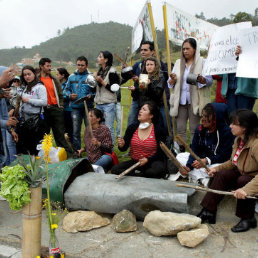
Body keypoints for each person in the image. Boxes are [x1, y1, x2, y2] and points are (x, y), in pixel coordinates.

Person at [198, 109, 258, 233]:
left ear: (245, 127)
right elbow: (232, 162)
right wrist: (216, 169)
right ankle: (208, 211)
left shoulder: (256, 144)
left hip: (252, 178)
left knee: (243, 180)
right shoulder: (239, 140)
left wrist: (246, 190)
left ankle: (248, 219)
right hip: (243, 172)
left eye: (234, 124)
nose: (230, 126)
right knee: (221, 175)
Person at [172, 103, 234, 186]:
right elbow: (194, 150)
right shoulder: (200, 129)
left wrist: (206, 160)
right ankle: (203, 178)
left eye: (206, 117)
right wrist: (189, 166)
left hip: (217, 162)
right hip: (201, 160)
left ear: (216, 118)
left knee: (220, 169)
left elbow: (225, 156)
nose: (203, 119)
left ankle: (199, 177)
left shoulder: (227, 132)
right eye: (203, 116)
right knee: (179, 157)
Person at [168, 37, 213, 144]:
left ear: (195, 49)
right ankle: (182, 152)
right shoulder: (178, 63)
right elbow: (170, 83)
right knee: (180, 129)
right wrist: (173, 79)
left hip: (195, 101)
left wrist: (202, 79)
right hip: (181, 101)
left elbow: (210, 81)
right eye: (183, 49)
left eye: (188, 49)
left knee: (194, 129)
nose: (185, 51)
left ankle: (194, 152)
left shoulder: (203, 62)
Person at [111, 101, 167, 178]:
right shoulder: (132, 128)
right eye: (140, 109)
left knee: (154, 171)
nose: (140, 111)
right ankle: (142, 175)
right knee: (115, 169)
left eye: (144, 109)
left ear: (151, 115)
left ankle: (138, 175)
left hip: (152, 161)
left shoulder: (158, 130)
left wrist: (148, 160)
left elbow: (161, 153)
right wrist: (122, 145)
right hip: (136, 162)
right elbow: (123, 149)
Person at [39, 58, 72, 156]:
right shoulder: (37, 79)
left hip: (55, 109)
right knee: (45, 136)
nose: (50, 68)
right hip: (43, 110)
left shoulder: (54, 79)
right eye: (47, 66)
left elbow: (60, 94)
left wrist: (60, 106)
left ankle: (68, 156)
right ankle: (46, 157)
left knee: (60, 135)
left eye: (50, 66)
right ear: (41, 66)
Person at [64, 56, 95, 150]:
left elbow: (95, 91)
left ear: (86, 65)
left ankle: (90, 149)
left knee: (89, 130)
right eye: (78, 65)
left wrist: (91, 96)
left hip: (88, 107)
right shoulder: (71, 77)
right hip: (75, 107)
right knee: (76, 131)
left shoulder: (91, 76)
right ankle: (77, 151)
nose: (80, 67)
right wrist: (70, 95)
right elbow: (66, 90)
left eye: (82, 65)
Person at [15, 66, 47, 155]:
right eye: (25, 75)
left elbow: (44, 102)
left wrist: (29, 100)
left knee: (35, 146)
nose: (27, 77)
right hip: (24, 119)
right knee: (24, 146)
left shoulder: (40, 87)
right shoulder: (24, 87)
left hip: (36, 119)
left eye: (29, 74)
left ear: (34, 74)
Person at [221, 46, 258, 115]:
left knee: (243, 119)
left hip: (246, 89)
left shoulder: (252, 41)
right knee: (232, 118)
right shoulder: (228, 44)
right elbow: (220, 74)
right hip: (230, 89)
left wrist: (243, 55)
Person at [94, 51, 120, 143]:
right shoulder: (100, 71)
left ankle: (110, 150)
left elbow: (114, 88)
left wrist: (101, 81)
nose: (98, 58)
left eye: (100, 56)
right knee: (100, 128)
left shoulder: (112, 71)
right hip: (99, 103)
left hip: (109, 103)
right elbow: (96, 87)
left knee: (108, 128)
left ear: (106, 59)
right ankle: (102, 148)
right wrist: (94, 79)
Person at [0, 66, 19, 168]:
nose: (8, 85)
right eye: (6, 81)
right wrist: (5, 123)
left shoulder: (2, 95)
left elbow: (3, 115)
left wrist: (10, 130)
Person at [139, 56, 166, 128]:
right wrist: (134, 89)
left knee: (154, 128)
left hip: (154, 108)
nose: (149, 67)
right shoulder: (143, 77)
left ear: (155, 66)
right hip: (142, 106)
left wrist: (150, 85)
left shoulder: (160, 77)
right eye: (147, 65)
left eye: (151, 64)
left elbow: (157, 95)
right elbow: (141, 93)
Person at [56, 67, 73, 144]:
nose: (56, 76)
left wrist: (63, 97)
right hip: (60, 110)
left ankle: (71, 147)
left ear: (62, 75)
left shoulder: (68, 84)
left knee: (69, 130)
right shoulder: (57, 84)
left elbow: (68, 95)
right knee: (62, 130)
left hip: (68, 109)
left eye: (57, 74)